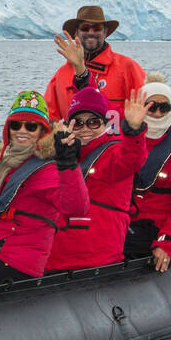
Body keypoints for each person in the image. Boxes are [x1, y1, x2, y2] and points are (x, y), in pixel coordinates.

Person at [0, 91, 88, 284]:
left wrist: (68, 164)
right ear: (8, 128)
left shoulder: (48, 169)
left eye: (31, 126)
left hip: (14, 262)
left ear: (42, 131)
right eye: (16, 124)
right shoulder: (6, 165)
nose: (22, 131)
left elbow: (76, 208)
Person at [44, 85, 149, 271]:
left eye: (93, 122)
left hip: (93, 250)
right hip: (58, 244)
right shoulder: (63, 151)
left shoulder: (113, 152)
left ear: (105, 124)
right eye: (78, 123)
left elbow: (133, 158)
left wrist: (133, 129)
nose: (85, 129)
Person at [125, 72, 171, 273]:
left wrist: (168, 242)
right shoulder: (126, 134)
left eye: (164, 108)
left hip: (155, 225)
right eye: (151, 106)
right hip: (122, 217)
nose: (157, 114)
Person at [45, 5, 147, 123]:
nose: (91, 33)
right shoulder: (62, 74)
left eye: (97, 28)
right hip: (74, 140)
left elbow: (149, 110)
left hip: (116, 140)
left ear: (105, 32)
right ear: (76, 33)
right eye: (85, 28)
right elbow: (50, 117)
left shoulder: (127, 67)